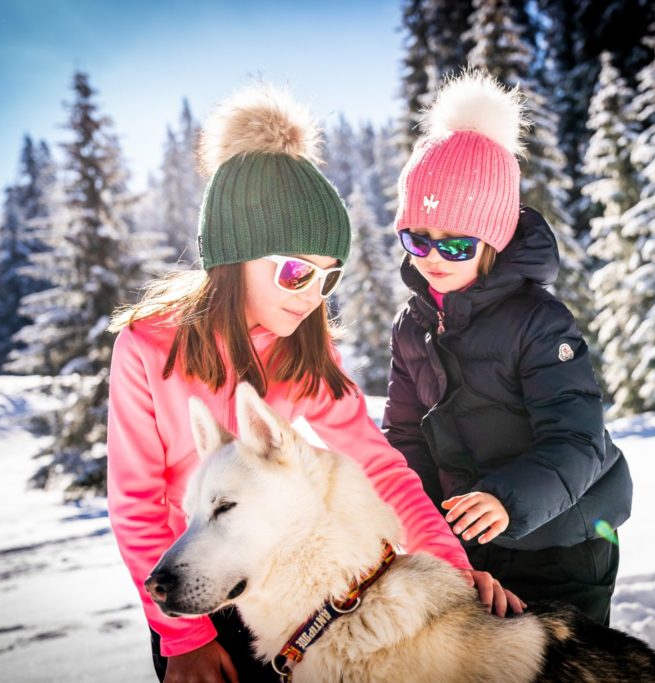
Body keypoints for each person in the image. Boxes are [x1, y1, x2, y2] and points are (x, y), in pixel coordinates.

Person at [106, 83, 520, 683]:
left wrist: (452, 569)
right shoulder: (149, 348)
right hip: (184, 586)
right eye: (296, 271)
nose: (311, 297)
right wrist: (184, 637)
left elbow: (380, 466)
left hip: (271, 595)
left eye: (327, 279)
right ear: (234, 253)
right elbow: (136, 503)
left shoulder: (304, 350)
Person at [382, 70, 634, 626]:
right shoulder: (413, 324)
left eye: (455, 243)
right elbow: (404, 437)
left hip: (563, 541)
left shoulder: (538, 323)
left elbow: (578, 439)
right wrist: (418, 527)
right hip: (471, 546)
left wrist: (506, 500)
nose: (433, 256)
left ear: (493, 239)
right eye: (416, 239)